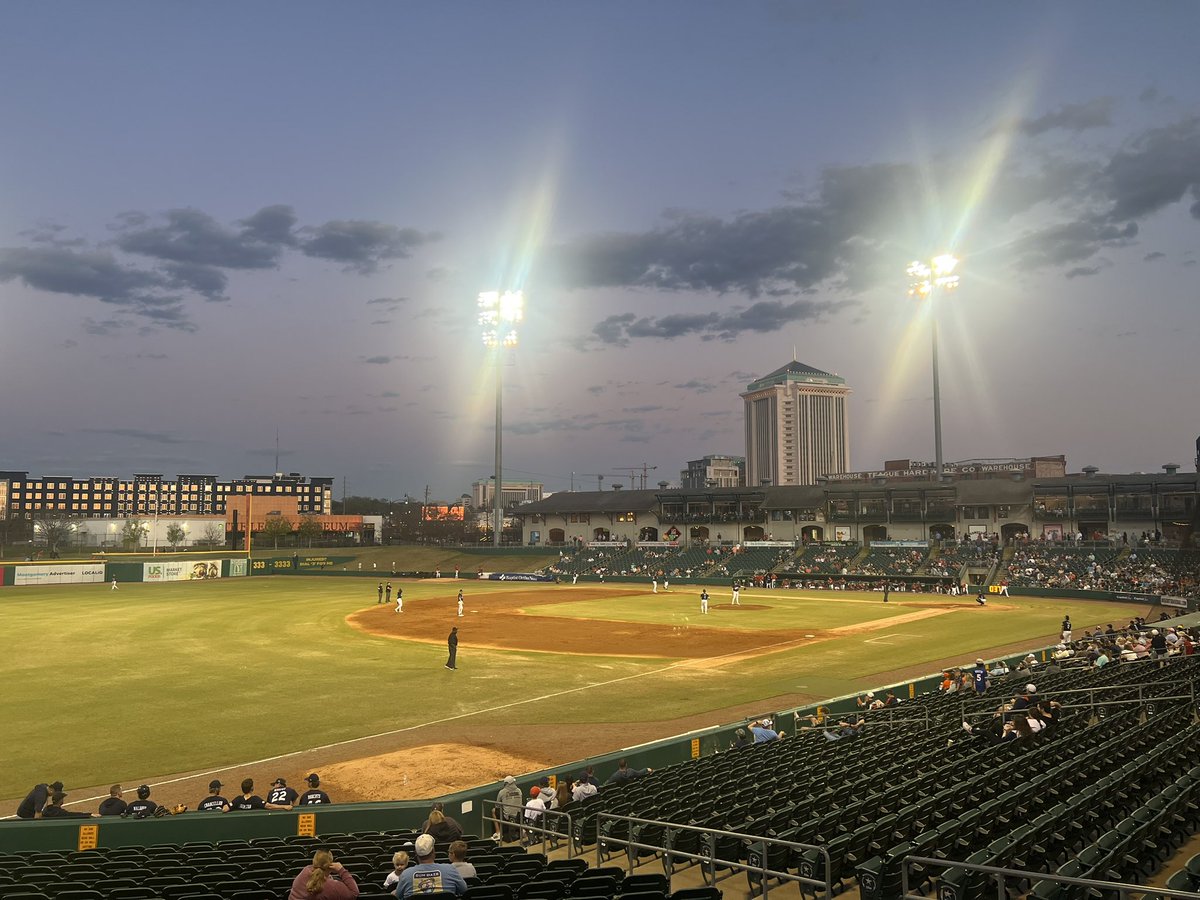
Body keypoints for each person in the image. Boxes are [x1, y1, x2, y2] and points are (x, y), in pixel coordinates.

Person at [396, 834, 467, 898]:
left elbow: (398, 896)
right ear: (433, 851)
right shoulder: (451, 870)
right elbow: (464, 890)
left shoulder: (405, 875)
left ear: (416, 853)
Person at [288, 850, 359, 900]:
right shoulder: (332, 886)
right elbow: (354, 893)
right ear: (330, 864)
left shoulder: (304, 871)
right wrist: (341, 870)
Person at [495, 776, 523, 841]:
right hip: (518, 816)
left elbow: (497, 806)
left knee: (494, 810)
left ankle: (498, 832)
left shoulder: (502, 792)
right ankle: (522, 829)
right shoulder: (519, 790)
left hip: (507, 817)